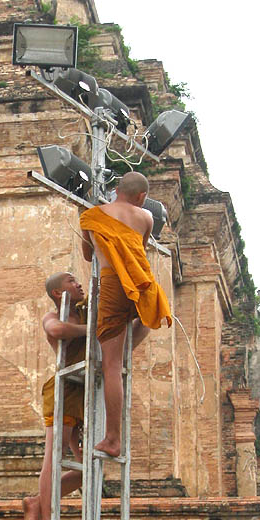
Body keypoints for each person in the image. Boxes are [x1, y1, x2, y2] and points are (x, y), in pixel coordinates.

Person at [79, 172, 172, 458]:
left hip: (112, 284)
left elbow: (87, 255)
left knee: (111, 365)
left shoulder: (92, 216)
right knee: (145, 318)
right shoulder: (146, 218)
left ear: (116, 189)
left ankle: (112, 438)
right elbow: (137, 251)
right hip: (141, 283)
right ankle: (127, 346)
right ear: (142, 197)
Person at [22, 272, 87, 520]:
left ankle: (38, 501)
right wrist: (91, 330)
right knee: (55, 455)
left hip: (83, 394)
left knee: (86, 469)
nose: (79, 284)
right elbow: (57, 332)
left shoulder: (85, 311)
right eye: (71, 281)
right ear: (59, 293)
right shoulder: (54, 316)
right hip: (64, 389)